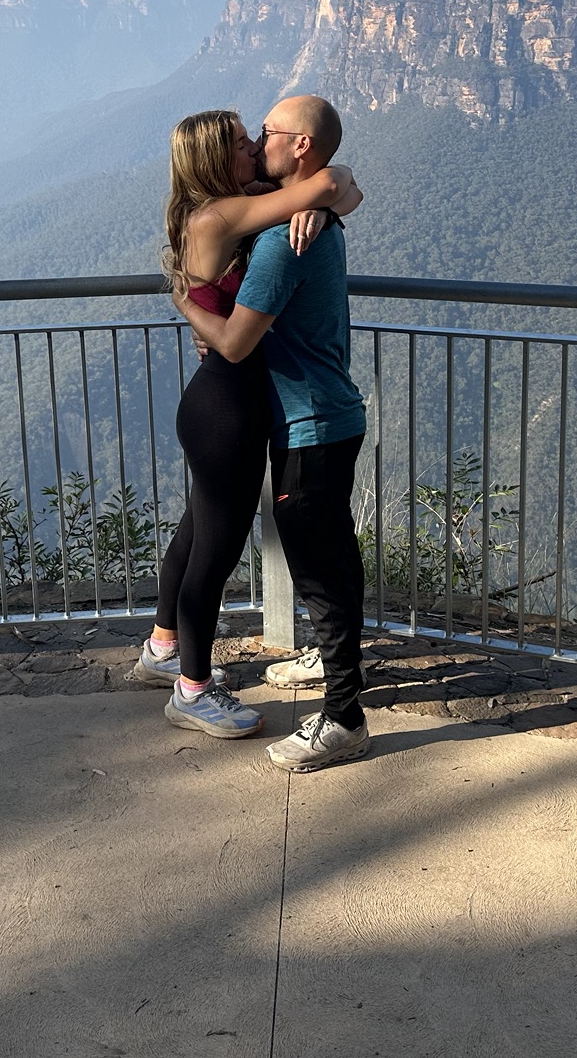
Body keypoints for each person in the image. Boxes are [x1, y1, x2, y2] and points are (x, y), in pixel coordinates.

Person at [134, 109, 362, 741]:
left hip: (225, 402)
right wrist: (186, 304)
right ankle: (193, 688)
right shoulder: (218, 217)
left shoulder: (242, 203)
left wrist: (321, 198)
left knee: (198, 526)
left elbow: (342, 184)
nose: (255, 147)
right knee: (217, 545)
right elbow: (325, 183)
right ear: (215, 158)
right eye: (241, 143)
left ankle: (161, 645)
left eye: (258, 138)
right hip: (226, 405)